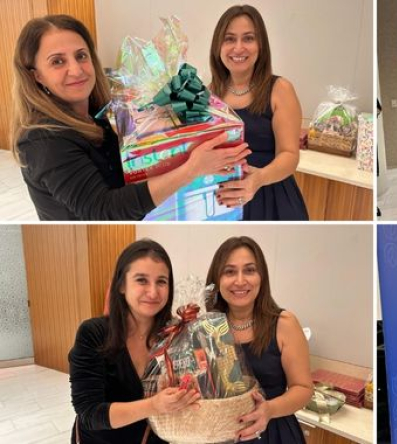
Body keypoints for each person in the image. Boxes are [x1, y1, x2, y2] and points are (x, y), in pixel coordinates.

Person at [11, 15, 249, 221]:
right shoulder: (42, 139)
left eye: (81, 56)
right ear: (36, 76)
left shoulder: (104, 114)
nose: (76, 70)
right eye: (57, 61)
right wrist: (192, 169)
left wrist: (220, 159)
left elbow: (142, 162)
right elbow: (103, 212)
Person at [68, 239, 202, 444]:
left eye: (161, 281)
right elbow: (90, 413)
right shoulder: (93, 333)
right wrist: (154, 405)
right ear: (121, 285)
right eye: (141, 280)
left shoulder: (174, 335)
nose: (153, 292)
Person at [205, 236, 313, 442]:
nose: (240, 281)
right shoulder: (208, 328)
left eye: (249, 270)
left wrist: (269, 409)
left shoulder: (284, 323)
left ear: (261, 277)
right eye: (229, 272)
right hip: (222, 434)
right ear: (216, 281)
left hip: (274, 433)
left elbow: (304, 389)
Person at [209, 5, 309, 221]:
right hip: (222, 200)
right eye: (229, 39)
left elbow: (290, 155)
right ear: (218, 46)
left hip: (271, 197)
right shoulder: (210, 94)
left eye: (248, 38)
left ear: (260, 45)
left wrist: (259, 178)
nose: (238, 48)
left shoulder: (280, 89)